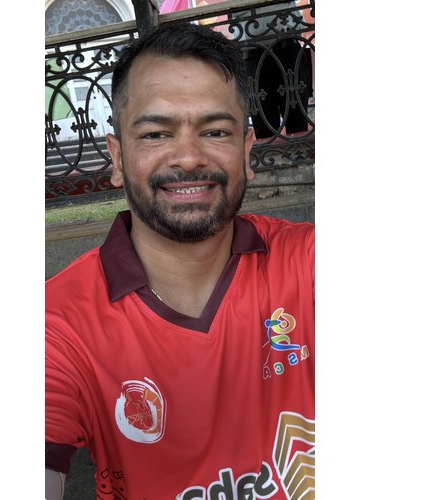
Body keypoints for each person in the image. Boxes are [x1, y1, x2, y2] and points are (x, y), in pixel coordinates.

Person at [46, 22, 314, 500]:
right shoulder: (57, 323)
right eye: (155, 133)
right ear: (117, 158)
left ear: (246, 151)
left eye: (215, 131)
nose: (188, 157)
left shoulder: (308, 261)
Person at [233, 1, 312, 138]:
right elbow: (235, 9)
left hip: (287, 50)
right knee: (264, 128)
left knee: (298, 122)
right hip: (253, 55)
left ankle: (299, 152)